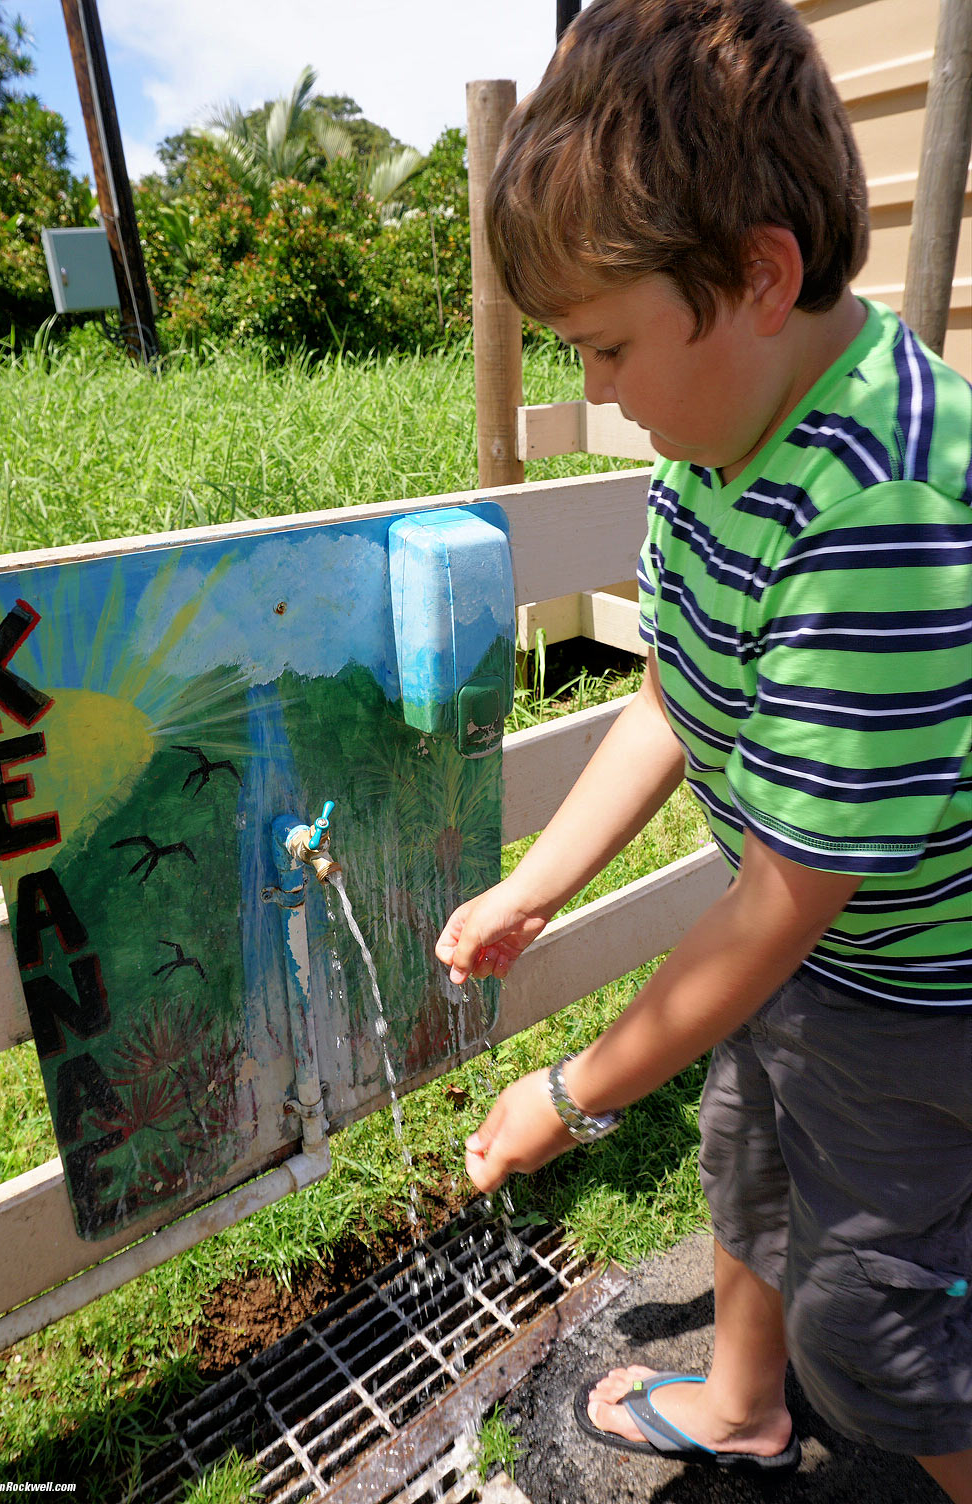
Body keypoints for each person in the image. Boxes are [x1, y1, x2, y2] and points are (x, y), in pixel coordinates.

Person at [434, 0, 972, 1495]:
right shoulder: (715, 448)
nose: (596, 390)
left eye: (607, 346)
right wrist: (538, 882)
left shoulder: (881, 506)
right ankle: (741, 1401)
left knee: (886, 1324)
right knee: (746, 1160)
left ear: (758, 276)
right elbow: (673, 696)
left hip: (914, 994)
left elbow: (785, 904)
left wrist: (575, 1090)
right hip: (793, 966)